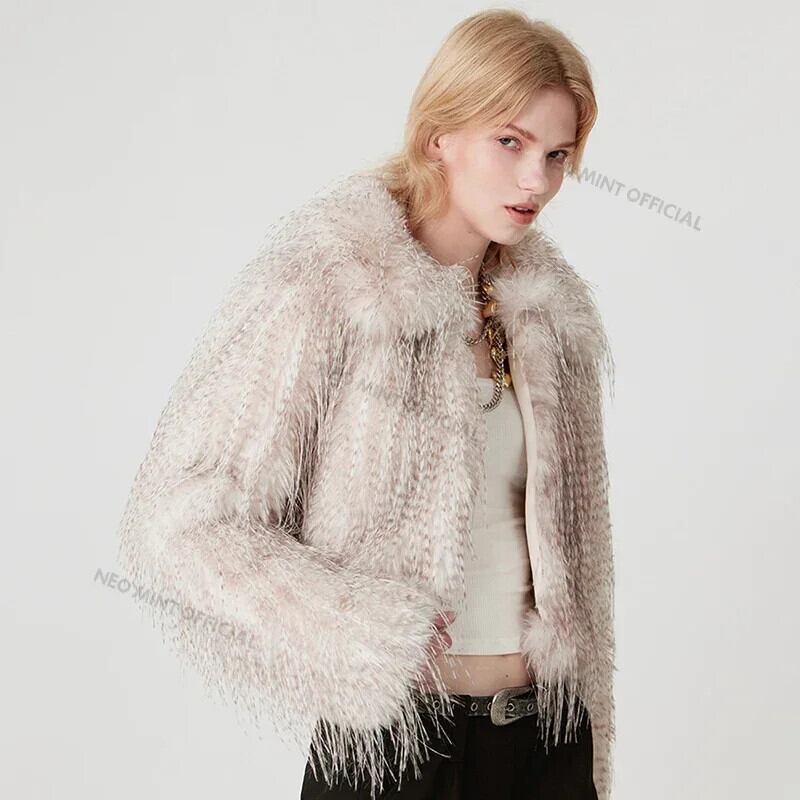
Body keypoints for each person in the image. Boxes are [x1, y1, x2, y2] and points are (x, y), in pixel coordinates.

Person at [116, 9, 616, 800]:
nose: (537, 181)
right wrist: (358, 627)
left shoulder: (547, 316)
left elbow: (580, 578)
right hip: (395, 750)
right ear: (439, 135)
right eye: (510, 142)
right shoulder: (333, 283)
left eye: (557, 155)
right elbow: (179, 517)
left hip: (544, 744)